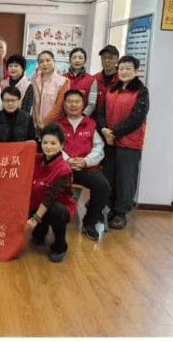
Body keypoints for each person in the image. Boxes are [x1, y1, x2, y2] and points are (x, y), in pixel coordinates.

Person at [97, 55, 150, 230]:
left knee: (126, 180)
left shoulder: (141, 91)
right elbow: (101, 112)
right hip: (109, 141)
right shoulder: (112, 89)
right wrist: (104, 130)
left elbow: (137, 119)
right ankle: (111, 209)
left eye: (128, 68)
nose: (124, 72)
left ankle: (120, 213)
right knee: (109, 177)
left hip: (129, 143)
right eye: (121, 68)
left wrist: (115, 133)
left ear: (136, 71)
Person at [57, 90, 111, 242]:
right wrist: (68, 160)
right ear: (64, 104)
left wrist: (85, 161)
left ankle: (90, 223)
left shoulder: (91, 124)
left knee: (103, 187)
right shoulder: (58, 125)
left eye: (77, 102)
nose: (73, 105)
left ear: (83, 105)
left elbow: (99, 148)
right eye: (70, 102)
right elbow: (53, 147)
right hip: (63, 169)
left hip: (86, 168)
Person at [27, 124, 75, 263]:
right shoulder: (36, 159)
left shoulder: (64, 170)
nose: (48, 147)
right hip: (36, 203)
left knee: (57, 210)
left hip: (57, 206)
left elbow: (50, 198)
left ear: (61, 145)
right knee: (37, 238)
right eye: (45, 142)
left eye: (53, 143)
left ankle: (60, 246)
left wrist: (35, 219)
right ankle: (41, 229)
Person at [32, 50, 70, 131]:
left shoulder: (62, 81)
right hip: (35, 126)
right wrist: (37, 123)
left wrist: (45, 123)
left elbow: (59, 106)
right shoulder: (34, 81)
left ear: (54, 62)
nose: (45, 64)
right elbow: (34, 103)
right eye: (41, 61)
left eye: (48, 60)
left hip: (54, 126)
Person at [63, 47, 97, 116]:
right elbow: (59, 102)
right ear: (70, 60)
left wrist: (81, 118)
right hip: (64, 118)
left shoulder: (92, 80)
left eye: (80, 58)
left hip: (83, 118)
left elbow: (91, 104)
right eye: (74, 58)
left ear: (85, 61)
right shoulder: (62, 78)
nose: (77, 60)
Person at [93, 45, 120, 118]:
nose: (106, 61)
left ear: (117, 60)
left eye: (110, 58)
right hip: (97, 120)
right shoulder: (94, 79)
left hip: (116, 120)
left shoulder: (123, 79)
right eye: (104, 58)